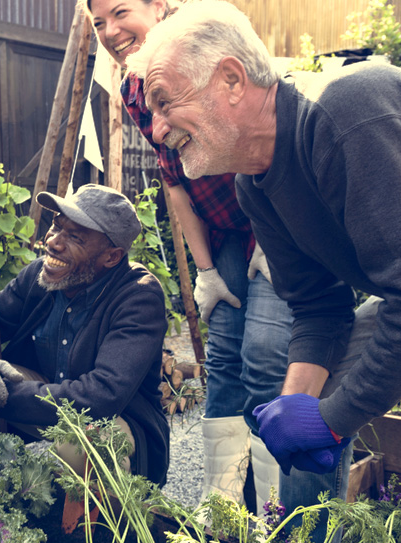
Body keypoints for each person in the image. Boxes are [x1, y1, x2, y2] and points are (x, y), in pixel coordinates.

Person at [126, 0, 401, 519]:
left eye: (165, 103)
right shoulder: (254, 189)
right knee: (317, 393)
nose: (156, 128)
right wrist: (295, 412)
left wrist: (331, 418)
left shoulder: (348, 112)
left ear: (232, 80)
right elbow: (317, 308)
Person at [83, 0, 291, 516]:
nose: (110, 31)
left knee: (265, 354)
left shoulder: (209, 40)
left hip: (277, 216)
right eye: (99, 23)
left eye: (120, 11)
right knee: (222, 358)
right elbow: (173, 176)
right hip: (223, 225)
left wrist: (275, 235)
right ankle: (221, 508)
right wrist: (205, 270)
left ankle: (273, 515)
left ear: (159, 5)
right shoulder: (136, 85)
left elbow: (274, 136)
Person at [0, 184, 171, 487]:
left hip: (116, 425)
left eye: (75, 237)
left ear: (111, 257)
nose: (53, 242)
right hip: (46, 403)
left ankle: (93, 524)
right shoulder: (41, 276)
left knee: (79, 443)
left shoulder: (138, 297)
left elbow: (100, 396)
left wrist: (0, 395)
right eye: (56, 226)